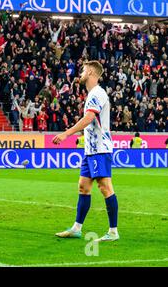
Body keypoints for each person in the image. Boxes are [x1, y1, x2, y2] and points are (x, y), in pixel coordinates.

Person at [52, 60, 118, 242]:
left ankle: (113, 232)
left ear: (90, 72)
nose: (80, 73)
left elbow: (89, 118)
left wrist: (66, 134)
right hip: (90, 150)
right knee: (83, 186)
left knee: (105, 187)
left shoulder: (97, 93)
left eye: (83, 70)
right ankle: (76, 228)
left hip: (100, 150)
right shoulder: (92, 94)